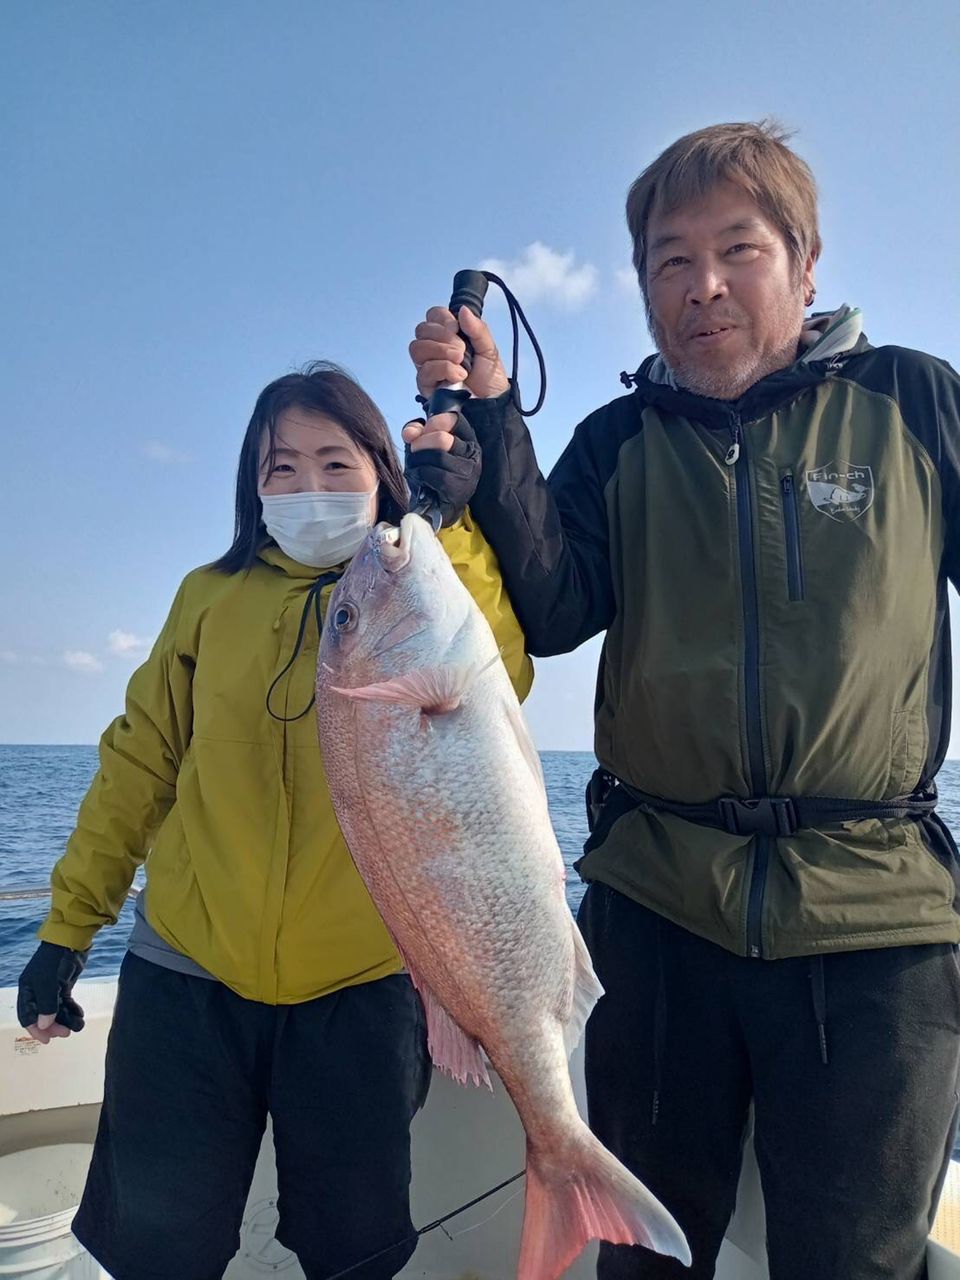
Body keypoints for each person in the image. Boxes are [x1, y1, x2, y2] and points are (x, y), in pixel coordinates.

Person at [405, 121, 960, 1279]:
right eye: (669, 261)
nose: (702, 286)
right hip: (655, 914)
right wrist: (491, 433)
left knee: (857, 1263)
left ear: (806, 265)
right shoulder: (615, 443)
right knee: (641, 1265)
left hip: (876, 920)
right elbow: (552, 609)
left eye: (737, 250)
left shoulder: (914, 401)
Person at [16, 361, 532, 1280]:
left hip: (363, 984)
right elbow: (139, 764)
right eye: (280, 467)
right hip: (188, 971)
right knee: (160, 1245)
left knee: (352, 1247)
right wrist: (67, 929)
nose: (307, 486)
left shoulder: (431, 579)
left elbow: (497, 678)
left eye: (336, 463)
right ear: (252, 485)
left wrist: (445, 532)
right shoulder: (208, 597)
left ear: (384, 471)